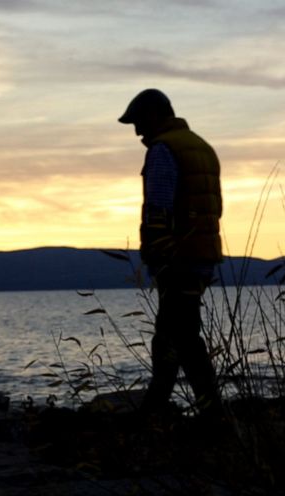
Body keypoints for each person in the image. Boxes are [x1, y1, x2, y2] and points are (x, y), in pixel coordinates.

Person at [118, 88, 224, 417]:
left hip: (177, 257)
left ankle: (205, 412)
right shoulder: (201, 147)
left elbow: (158, 208)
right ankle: (163, 406)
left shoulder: (164, 150)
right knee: (175, 334)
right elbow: (213, 207)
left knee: (179, 337)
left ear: (154, 115)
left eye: (138, 122)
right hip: (203, 254)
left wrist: (157, 253)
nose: (136, 132)